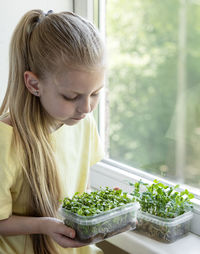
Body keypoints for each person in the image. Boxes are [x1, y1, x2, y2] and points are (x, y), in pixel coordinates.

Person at [0, 9, 105, 254]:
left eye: (96, 93)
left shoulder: (83, 123)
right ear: (34, 84)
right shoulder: (5, 141)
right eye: (71, 96)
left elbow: (79, 189)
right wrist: (45, 226)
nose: (87, 107)